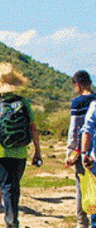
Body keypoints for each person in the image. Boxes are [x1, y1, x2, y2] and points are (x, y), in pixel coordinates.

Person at [0, 62, 42, 228]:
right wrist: (37, 151)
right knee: (14, 185)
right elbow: (33, 128)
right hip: (21, 151)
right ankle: (13, 219)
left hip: (0, 151)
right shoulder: (24, 102)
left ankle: (11, 221)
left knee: (7, 186)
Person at [67, 71, 96, 228]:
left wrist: (70, 152)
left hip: (81, 151)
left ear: (77, 85)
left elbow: (74, 130)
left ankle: (81, 222)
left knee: (81, 188)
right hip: (95, 149)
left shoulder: (77, 103)